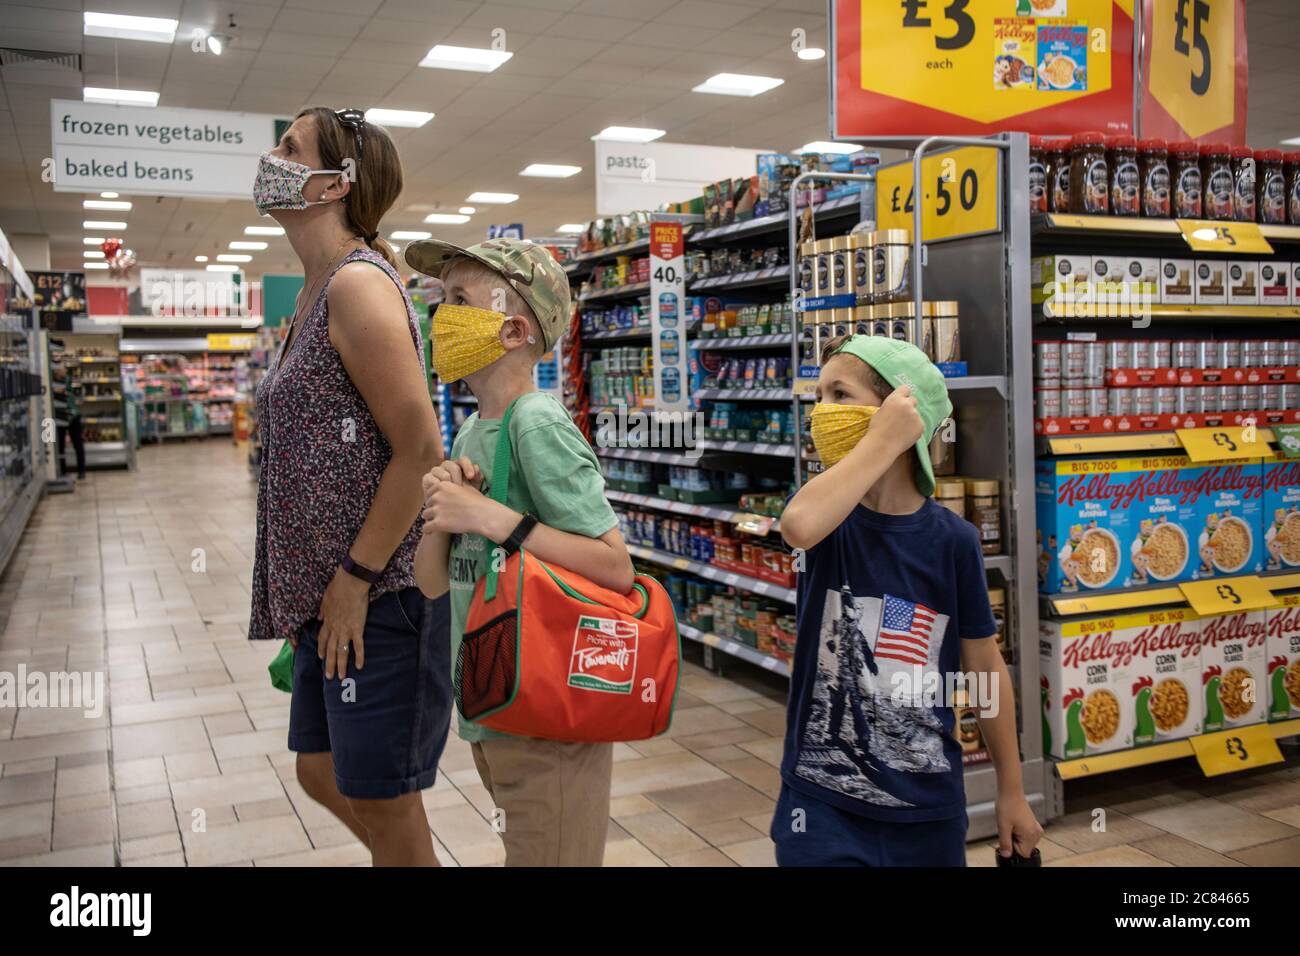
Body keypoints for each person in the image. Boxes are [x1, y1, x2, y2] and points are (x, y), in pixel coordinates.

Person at [247, 107, 449, 867]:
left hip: (379, 595)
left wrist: (355, 579)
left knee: (382, 797)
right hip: (326, 598)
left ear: (335, 183)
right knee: (321, 770)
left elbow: (419, 448)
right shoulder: (313, 292)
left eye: (290, 148)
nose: (273, 156)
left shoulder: (358, 287)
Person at [773, 334, 1042, 867]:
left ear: (901, 411)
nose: (822, 412)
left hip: (928, 810)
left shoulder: (953, 541)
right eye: (820, 397)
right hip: (820, 807)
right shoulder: (829, 519)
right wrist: (879, 442)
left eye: (840, 395)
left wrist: (1011, 789)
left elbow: (985, 667)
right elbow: (798, 525)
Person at [408, 237, 634, 867]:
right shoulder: (477, 427)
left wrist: (490, 515)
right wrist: (441, 510)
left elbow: (614, 565)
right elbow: (431, 584)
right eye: (440, 299)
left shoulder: (536, 421)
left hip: (548, 709)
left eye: (458, 299)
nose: (440, 316)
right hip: (492, 708)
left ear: (511, 328)